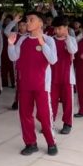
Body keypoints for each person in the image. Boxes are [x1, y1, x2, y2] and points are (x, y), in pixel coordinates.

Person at [8, 11, 58, 156]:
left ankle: (51, 142)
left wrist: (42, 44)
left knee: (44, 115)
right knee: (25, 114)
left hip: (42, 85)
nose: (27, 22)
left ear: (41, 23)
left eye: (31, 20)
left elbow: (53, 60)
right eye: (27, 20)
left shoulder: (49, 40)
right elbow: (13, 57)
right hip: (25, 84)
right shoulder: (23, 40)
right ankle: (30, 143)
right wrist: (10, 45)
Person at [50, 16, 77, 134]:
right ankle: (49, 122)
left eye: (60, 28)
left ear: (66, 28)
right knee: (51, 101)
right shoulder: (50, 40)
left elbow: (73, 51)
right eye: (55, 28)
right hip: (53, 76)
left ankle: (67, 123)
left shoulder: (71, 39)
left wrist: (67, 38)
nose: (57, 31)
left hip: (67, 77)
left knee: (68, 102)